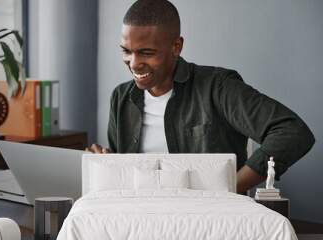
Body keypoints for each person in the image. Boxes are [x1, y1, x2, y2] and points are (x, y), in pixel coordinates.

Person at [86, 0, 315, 194]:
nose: (134, 63)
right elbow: (127, 172)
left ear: (176, 46)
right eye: (126, 51)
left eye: (147, 52)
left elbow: (292, 132)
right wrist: (107, 163)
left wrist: (227, 189)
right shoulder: (122, 97)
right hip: (143, 217)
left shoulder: (218, 87)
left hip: (209, 218)